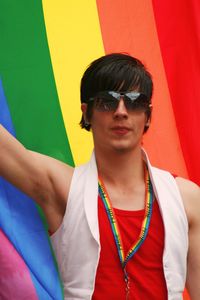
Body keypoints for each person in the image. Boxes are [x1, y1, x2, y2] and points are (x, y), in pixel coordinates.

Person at [0, 53, 200, 300]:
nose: (121, 111)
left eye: (135, 102)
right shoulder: (64, 188)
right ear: (87, 112)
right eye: (107, 101)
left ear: (148, 115)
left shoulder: (187, 198)